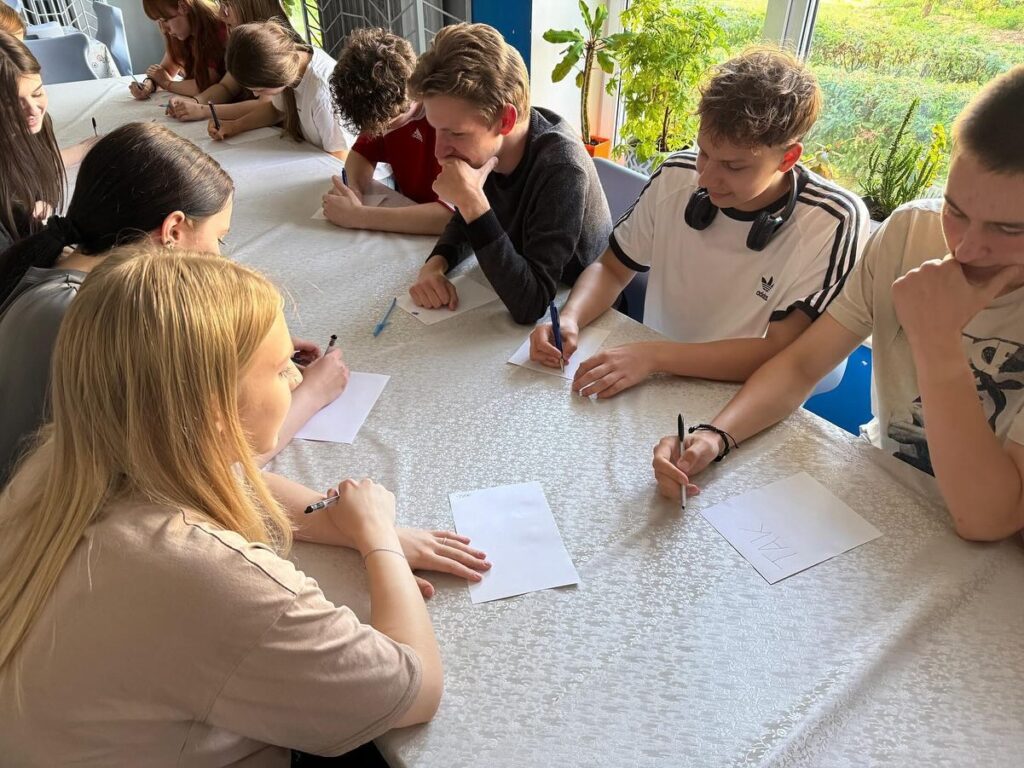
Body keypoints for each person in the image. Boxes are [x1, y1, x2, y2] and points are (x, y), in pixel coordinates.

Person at [0, 248, 444, 764]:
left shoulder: (61, 460)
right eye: (280, 370)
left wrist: (343, 519)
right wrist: (378, 536)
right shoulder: (204, 576)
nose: (297, 379)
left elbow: (228, 477)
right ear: (215, 408)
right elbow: (413, 689)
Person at [652, 65, 1024, 543]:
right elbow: (802, 365)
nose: (967, 248)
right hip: (880, 491)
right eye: (955, 209)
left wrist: (937, 340)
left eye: (1008, 229)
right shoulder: (910, 232)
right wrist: (714, 436)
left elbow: (987, 520)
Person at [0, 122, 345, 487]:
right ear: (173, 231)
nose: (219, 258)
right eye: (219, 240)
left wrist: (259, 354)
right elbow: (197, 470)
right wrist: (311, 395)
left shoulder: (66, 265)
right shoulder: (91, 318)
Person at [530, 48, 868, 397]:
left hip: (741, 395)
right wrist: (570, 318)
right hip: (652, 373)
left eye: (733, 166)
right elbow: (612, 268)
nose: (704, 178)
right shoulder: (677, 173)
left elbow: (782, 353)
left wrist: (656, 357)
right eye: (704, 152)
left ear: (788, 158)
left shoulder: (833, 220)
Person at [405, 23, 611, 324]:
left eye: (456, 133)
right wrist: (435, 265)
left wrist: (472, 201)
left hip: (584, 312)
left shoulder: (562, 168)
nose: (439, 151)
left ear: (505, 120)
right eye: (436, 130)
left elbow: (531, 304)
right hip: (523, 283)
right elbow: (465, 222)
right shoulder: (488, 147)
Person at [324, 27, 453, 236]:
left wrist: (359, 216)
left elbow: (451, 217)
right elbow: (362, 153)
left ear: (412, 95)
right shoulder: (381, 108)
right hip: (407, 214)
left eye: (387, 124)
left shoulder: (448, 122)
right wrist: (354, 189)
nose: (380, 132)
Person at [216, 19, 355, 160]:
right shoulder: (288, 58)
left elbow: (340, 157)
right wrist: (234, 126)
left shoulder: (322, 94)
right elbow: (275, 110)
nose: (255, 94)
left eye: (260, 89)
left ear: (277, 76)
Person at [165, 0, 294, 125]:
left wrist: (203, 110)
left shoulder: (274, 50)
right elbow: (226, 87)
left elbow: (266, 105)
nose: (221, 14)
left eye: (227, 5)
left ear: (249, 7)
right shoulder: (246, 46)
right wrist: (194, 102)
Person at [0, 30, 64, 251]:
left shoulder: (36, 126)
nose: (34, 110)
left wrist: (44, 203)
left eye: (37, 93)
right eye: (13, 103)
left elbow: (45, 177)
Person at [131, 0, 227, 100]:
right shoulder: (183, 33)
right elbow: (163, 71)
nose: (163, 30)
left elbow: (203, 86)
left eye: (165, 20)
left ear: (183, 7)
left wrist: (167, 83)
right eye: (159, 22)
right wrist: (148, 85)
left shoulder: (218, 30)